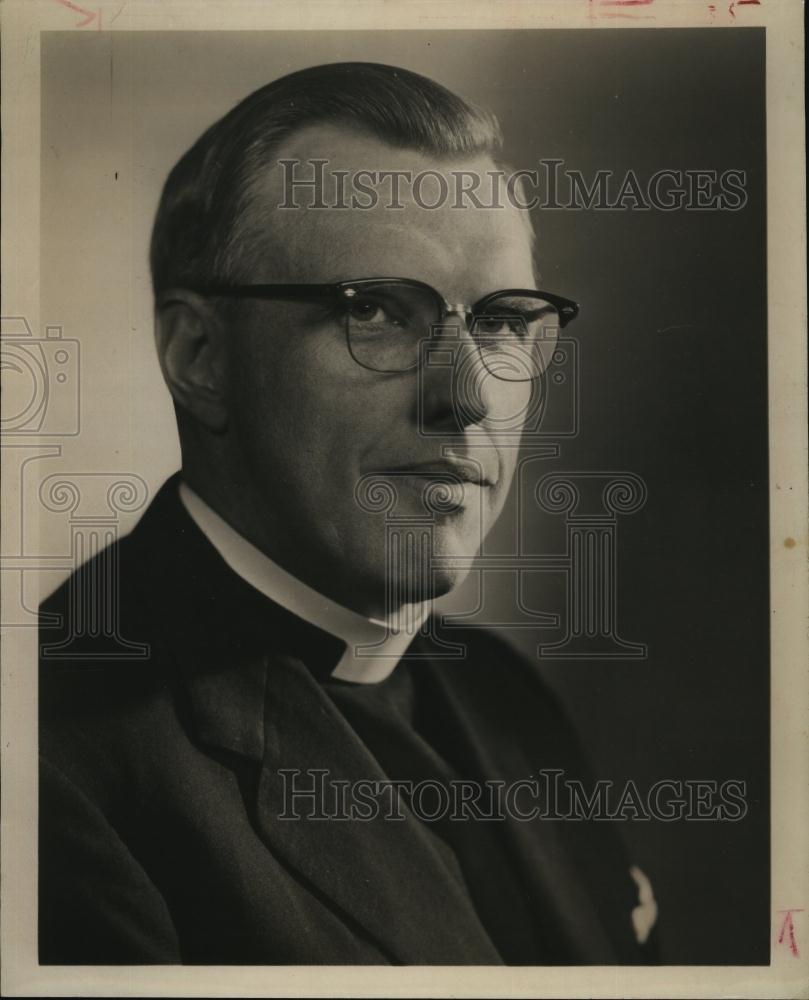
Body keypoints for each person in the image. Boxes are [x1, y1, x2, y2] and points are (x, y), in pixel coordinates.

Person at [38, 61, 658, 965]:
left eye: (499, 322)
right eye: (375, 311)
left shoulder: (502, 693)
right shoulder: (53, 764)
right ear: (199, 355)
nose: (466, 398)